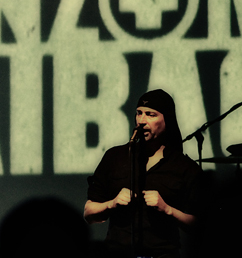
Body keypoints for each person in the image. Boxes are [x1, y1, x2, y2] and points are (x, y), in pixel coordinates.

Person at [84, 89, 203, 258]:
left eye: (150, 115)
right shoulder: (115, 157)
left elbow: (200, 225)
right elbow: (88, 213)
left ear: (167, 119)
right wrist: (112, 203)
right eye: (139, 113)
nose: (141, 121)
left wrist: (168, 210)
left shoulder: (183, 166)